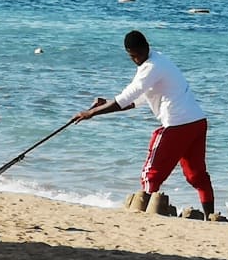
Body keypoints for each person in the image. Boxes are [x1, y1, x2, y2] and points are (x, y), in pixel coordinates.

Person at [73, 30, 216, 218]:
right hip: (197, 122)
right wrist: (105, 104)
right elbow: (137, 100)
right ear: (129, 54)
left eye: (139, 54)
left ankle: (147, 215)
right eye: (134, 56)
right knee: (196, 176)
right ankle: (211, 217)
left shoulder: (151, 67)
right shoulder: (159, 60)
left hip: (177, 124)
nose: (137, 59)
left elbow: (126, 97)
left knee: (150, 174)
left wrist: (91, 113)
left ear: (146, 47)